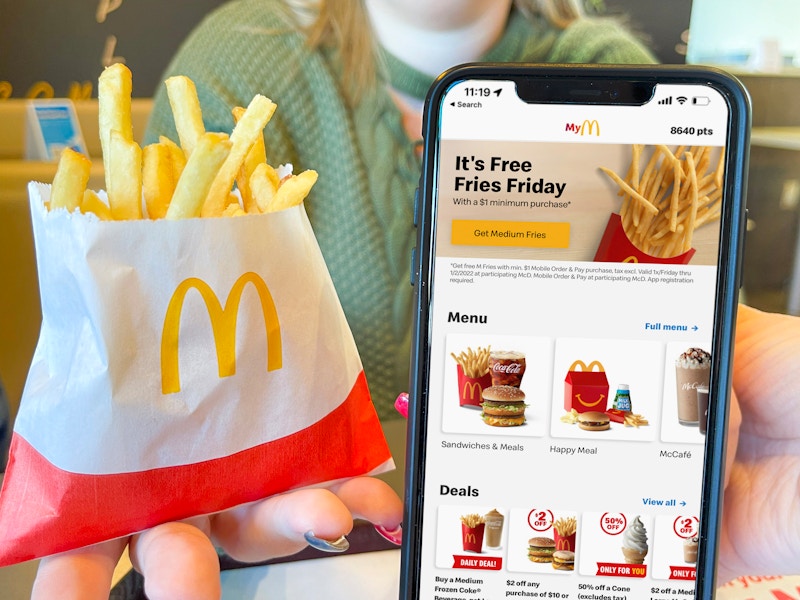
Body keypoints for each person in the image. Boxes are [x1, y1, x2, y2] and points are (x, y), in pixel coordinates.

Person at [29, 1, 798, 598]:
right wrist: (163, 459)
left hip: (560, 547)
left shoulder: (630, 88)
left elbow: (682, 354)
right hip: (279, 553)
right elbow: (166, 342)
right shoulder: (237, 63)